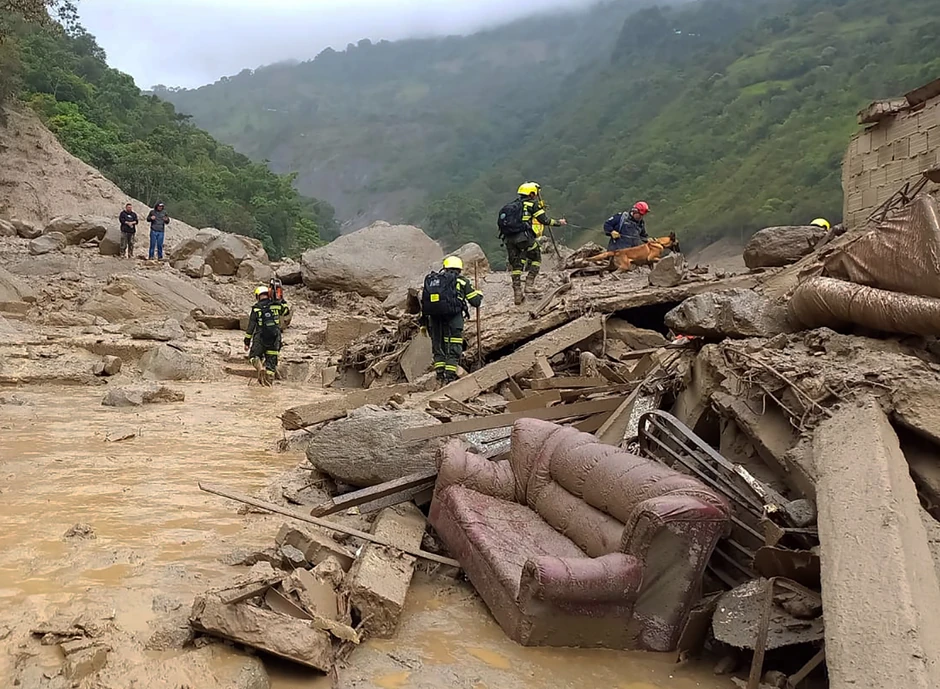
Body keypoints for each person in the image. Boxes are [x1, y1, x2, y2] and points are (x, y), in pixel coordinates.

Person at [499, 181, 566, 305]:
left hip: (508, 239)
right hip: (524, 237)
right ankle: (529, 285)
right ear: (531, 194)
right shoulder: (532, 204)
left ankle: (517, 294)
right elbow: (544, 220)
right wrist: (559, 223)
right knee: (536, 256)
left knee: (517, 265)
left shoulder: (512, 205)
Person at [420, 256, 483, 383]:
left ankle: (439, 375)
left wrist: (423, 324)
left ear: (445, 267)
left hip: (435, 319)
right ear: (459, 269)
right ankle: (449, 376)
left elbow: (424, 303)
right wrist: (479, 294)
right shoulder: (462, 282)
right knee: (453, 346)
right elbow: (475, 301)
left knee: (439, 346)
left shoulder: (434, 281)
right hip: (454, 319)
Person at [244, 285, 283, 386]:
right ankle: (268, 384)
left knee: (253, 356)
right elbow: (286, 312)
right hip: (275, 338)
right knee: (271, 363)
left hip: (260, 337)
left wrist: (247, 342)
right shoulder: (277, 305)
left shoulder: (256, 308)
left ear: (258, 296)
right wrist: (281, 299)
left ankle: (260, 367)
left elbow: (251, 327)